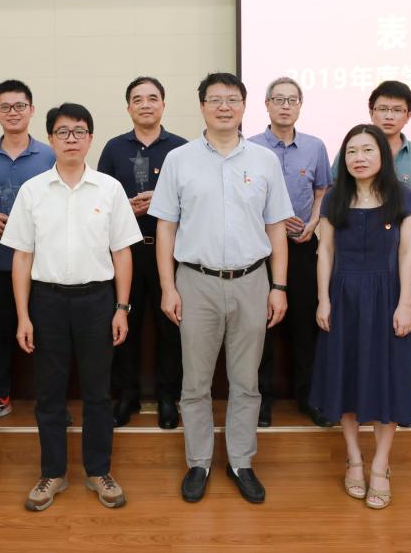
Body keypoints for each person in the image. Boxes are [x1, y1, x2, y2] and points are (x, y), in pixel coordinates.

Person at [150, 72, 293, 505]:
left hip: (252, 281)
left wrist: (279, 286)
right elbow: (165, 227)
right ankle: (198, 462)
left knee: (246, 381)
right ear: (202, 107)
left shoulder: (264, 160)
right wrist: (168, 287)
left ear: (244, 106)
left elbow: (277, 227)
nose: (224, 107)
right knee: (195, 382)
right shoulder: (179, 159)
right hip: (195, 282)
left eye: (232, 99)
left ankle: (241, 462)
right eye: (215, 100)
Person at [1, 103, 141, 512]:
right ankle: (53, 473)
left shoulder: (109, 189)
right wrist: (23, 315)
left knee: (98, 392)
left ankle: (99, 471)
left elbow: (122, 253)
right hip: (47, 302)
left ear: (90, 138)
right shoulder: (33, 191)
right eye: (63, 132)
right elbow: (22, 257)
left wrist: (122, 307)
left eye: (79, 131)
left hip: (97, 301)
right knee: (49, 394)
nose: (71, 139)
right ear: (50, 139)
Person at [311, 124, 411, 511]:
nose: (359, 158)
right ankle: (354, 458)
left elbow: (407, 255)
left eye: (367, 150)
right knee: (345, 377)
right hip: (343, 297)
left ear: (383, 155)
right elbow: (325, 251)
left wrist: (405, 304)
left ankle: (380, 464)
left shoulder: (403, 197)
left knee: (385, 379)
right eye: (352, 151)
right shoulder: (334, 198)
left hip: (386, 296)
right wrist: (323, 300)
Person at [97, 76, 187, 429]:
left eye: (152, 98)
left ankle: (168, 396)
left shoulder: (181, 150)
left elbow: (195, 201)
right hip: (125, 253)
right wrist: (125, 209)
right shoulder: (113, 148)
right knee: (124, 325)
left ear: (163, 104)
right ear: (128, 107)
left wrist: (161, 204)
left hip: (172, 253)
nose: (145, 104)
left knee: (170, 327)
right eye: (138, 99)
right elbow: (99, 200)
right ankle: (126, 395)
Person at [248, 76, 332, 428]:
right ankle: (261, 400)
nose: (285, 106)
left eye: (292, 100)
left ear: (300, 106)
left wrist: (314, 221)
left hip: (301, 246)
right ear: (266, 104)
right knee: (260, 328)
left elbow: (322, 190)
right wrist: (271, 223)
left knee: (304, 326)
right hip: (260, 249)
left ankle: (308, 397)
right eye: (278, 99)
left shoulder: (315, 146)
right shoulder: (249, 147)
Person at [0, 79, 55, 427]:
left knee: (48, 335)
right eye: (5, 107)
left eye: (20, 106)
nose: (13, 112)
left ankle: (51, 402)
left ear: (31, 110)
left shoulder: (50, 155)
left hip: (44, 265)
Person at [332, 80, 411, 216]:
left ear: (408, 116)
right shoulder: (352, 151)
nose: (389, 116)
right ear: (371, 113)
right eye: (382, 109)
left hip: (406, 227)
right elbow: (333, 190)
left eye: (397, 110)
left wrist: (409, 215)